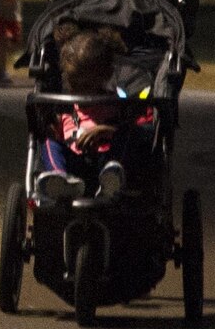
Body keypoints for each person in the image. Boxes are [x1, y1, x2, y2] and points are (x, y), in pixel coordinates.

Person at [35, 22, 156, 201]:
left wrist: (108, 131)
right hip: (75, 169)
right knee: (47, 140)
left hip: (109, 162)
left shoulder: (118, 103)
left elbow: (145, 132)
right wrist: (52, 127)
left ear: (104, 76)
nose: (78, 90)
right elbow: (56, 135)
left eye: (86, 85)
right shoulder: (67, 109)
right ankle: (58, 178)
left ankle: (112, 182)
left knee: (131, 134)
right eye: (74, 84)